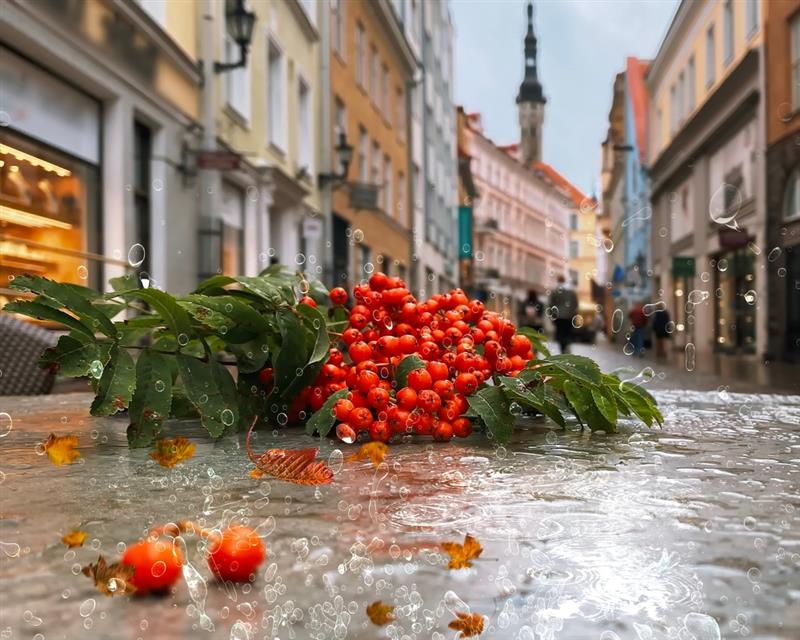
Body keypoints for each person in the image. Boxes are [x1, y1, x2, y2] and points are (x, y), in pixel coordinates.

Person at [548, 276, 578, 354]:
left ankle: (563, 348)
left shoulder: (555, 291)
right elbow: (575, 304)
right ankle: (567, 345)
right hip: (569, 316)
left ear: (558, 280)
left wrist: (552, 316)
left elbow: (551, 304)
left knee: (560, 333)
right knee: (567, 332)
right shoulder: (571, 291)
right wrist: (574, 314)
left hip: (558, 316)